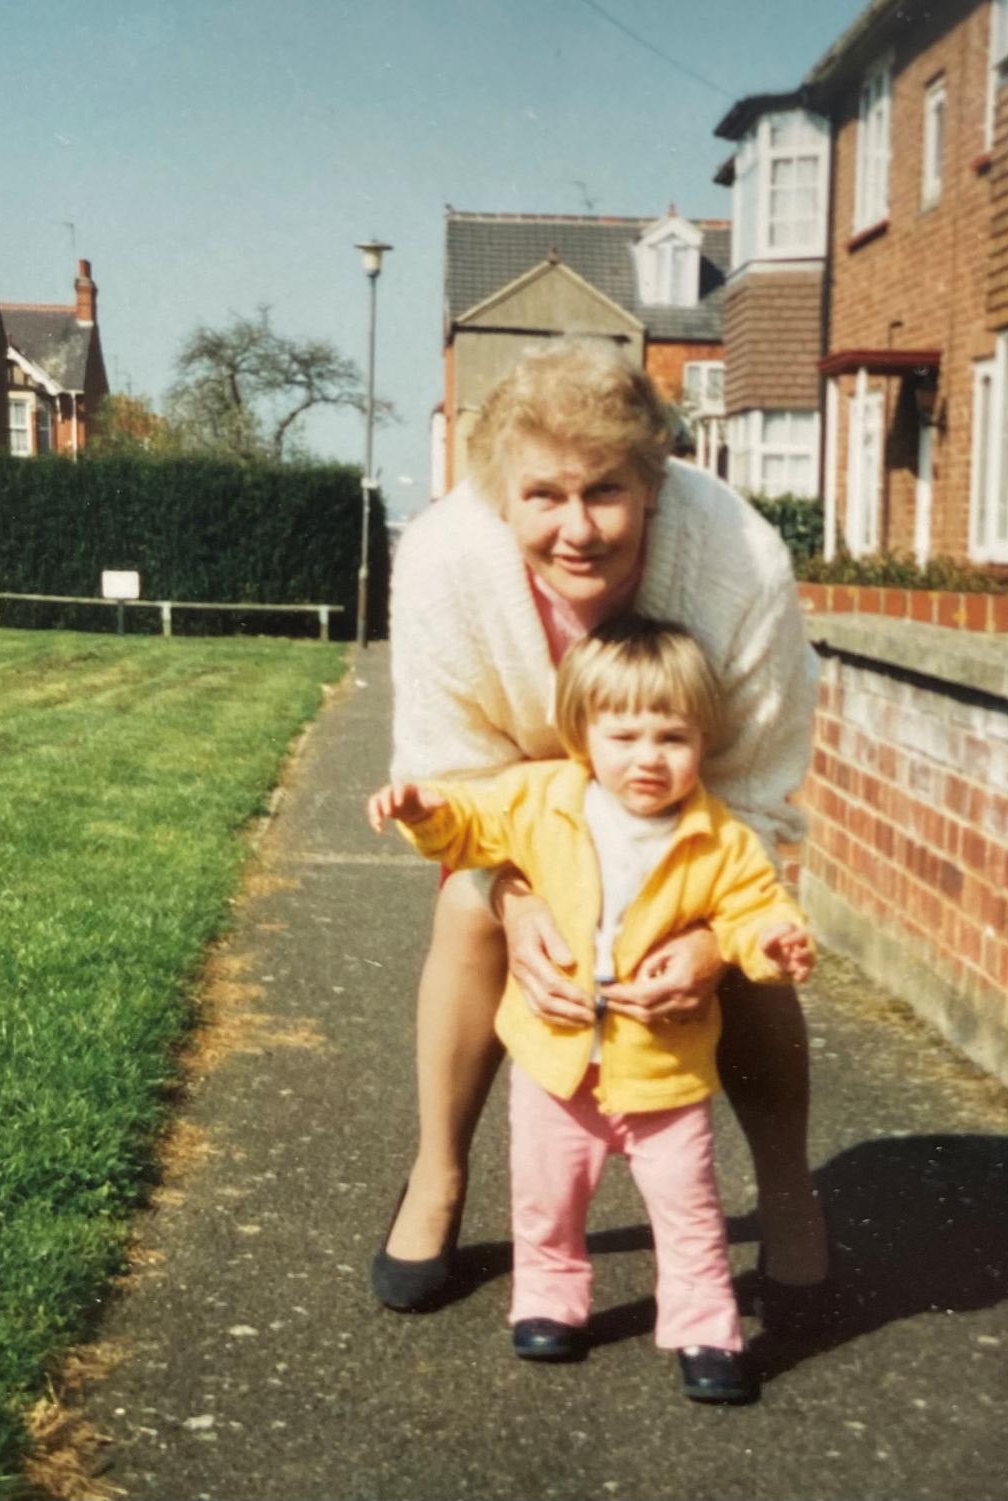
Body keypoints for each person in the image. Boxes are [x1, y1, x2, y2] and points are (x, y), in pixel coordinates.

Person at [366, 338, 828, 1326]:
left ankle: (786, 1184)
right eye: (543, 496)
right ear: (497, 497)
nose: (576, 529)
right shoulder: (444, 560)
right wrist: (512, 891)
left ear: (653, 487)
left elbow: (756, 788)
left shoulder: (740, 560)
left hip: (685, 802)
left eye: (605, 493)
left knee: (746, 947)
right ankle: (438, 1176)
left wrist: (706, 934)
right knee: (466, 909)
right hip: (522, 807)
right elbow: (452, 775)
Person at [371, 618, 815, 1402]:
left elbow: (753, 907)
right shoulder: (546, 799)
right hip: (557, 1058)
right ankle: (548, 1300)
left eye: (672, 737)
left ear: (705, 739)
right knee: (546, 1197)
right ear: (582, 735)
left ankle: (706, 1328)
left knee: (688, 1210)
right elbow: (471, 825)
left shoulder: (719, 840)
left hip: (664, 1068)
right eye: (625, 734)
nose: (648, 757)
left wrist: (771, 941)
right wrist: (421, 810)